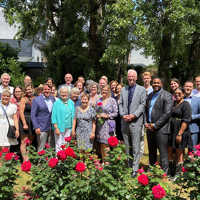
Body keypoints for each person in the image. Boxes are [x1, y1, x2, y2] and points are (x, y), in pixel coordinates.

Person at [119, 69, 146, 177]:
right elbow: (120, 103)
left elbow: (143, 105)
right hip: (125, 121)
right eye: (129, 76)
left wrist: (134, 115)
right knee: (127, 146)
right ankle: (128, 167)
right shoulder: (123, 89)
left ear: (136, 78)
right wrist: (123, 114)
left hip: (135, 121)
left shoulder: (142, 89)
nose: (130, 78)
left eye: (133, 77)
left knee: (135, 147)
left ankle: (135, 169)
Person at [145, 77, 173, 174]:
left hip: (161, 129)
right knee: (151, 152)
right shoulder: (150, 95)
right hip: (149, 128)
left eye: (158, 83)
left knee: (163, 153)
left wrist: (155, 125)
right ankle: (152, 171)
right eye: (154, 83)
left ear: (161, 84)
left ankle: (164, 173)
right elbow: (146, 110)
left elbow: (167, 113)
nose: (155, 84)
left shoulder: (167, 95)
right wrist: (146, 123)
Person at [168, 87, 191, 178]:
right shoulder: (173, 103)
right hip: (171, 130)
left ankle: (178, 174)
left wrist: (179, 133)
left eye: (179, 93)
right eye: (175, 93)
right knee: (169, 151)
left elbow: (186, 120)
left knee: (179, 152)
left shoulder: (186, 105)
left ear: (183, 94)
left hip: (180, 131)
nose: (177, 95)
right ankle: (170, 172)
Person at [95, 85, 118, 162]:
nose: (104, 91)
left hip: (108, 125)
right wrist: (97, 115)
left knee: (107, 144)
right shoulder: (99, 100)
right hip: (100, 125)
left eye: (106, 90)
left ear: (109, 91)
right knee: (101, 143)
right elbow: (97, 111)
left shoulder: (112, 100)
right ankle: (104, 161)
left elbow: (116, 113)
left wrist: (107, 115)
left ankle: (108, 163)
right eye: (103, 90)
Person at [31, 84, 55, 151]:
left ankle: (50, 161)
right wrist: (36, 127)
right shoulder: (36, 100)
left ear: (50, 90)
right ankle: (40, 161)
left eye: (48, 89)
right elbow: (33, 115)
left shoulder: (52, 99)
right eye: (45, 89)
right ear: (42, 90)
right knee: (41, 147)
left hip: (51, 127)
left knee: (51, 146)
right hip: (41, 127)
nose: (47, 91)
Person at [51, 86, 75, 152]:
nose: (64, 94)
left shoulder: (71, 103)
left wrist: (73, 128)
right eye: (62, 92)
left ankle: (65, 160)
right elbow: (53, 117)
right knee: (59, 144)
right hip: (59, 127)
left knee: (66, 144)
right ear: (59, 93)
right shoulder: (56, 103)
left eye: (65, 92)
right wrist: (56, 128)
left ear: (68, 93)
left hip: (69, 127)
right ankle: (58, 160)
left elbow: (73, 117)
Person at [19, 84, 35, 161]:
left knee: (30, 141)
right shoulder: (23, 99)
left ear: (33, 89)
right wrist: (24, 123)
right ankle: (25, 160)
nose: (29, 91)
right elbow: (21, 112)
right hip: (25, 121)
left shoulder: (35, 98)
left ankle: (27, 158)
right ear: (25, 91)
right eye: (27, 90)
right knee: (24, 141)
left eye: (30, 89)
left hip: (33, 122)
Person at [184, 81, 200, 151]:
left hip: (193, 128)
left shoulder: (197, 100)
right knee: (181, 150)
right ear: (184, 87)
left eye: (190, 87)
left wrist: (192, 117)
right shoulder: (180, 99)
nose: (188, 88)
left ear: (192, 88)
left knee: (193, 150)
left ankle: (192, 162)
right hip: (181, 128)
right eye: (186, 86)